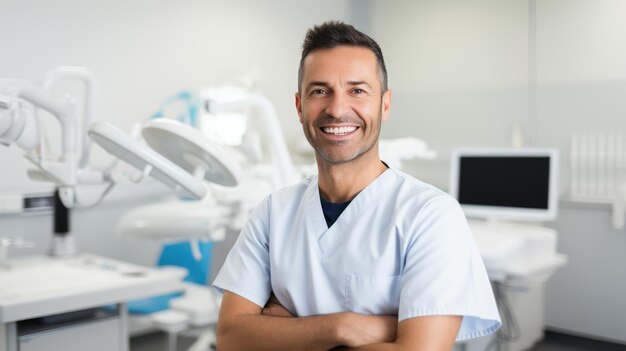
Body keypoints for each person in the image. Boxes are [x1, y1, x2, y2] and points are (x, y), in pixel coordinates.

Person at [213, 21, 501, 350]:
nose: (337, 109)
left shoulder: (430, 214)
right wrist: (343, 327)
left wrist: (284, 332)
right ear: (299, 106)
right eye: (319, 91)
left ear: (385, 104)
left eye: (357, 91)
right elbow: (231, 338)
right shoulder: (273, 212)